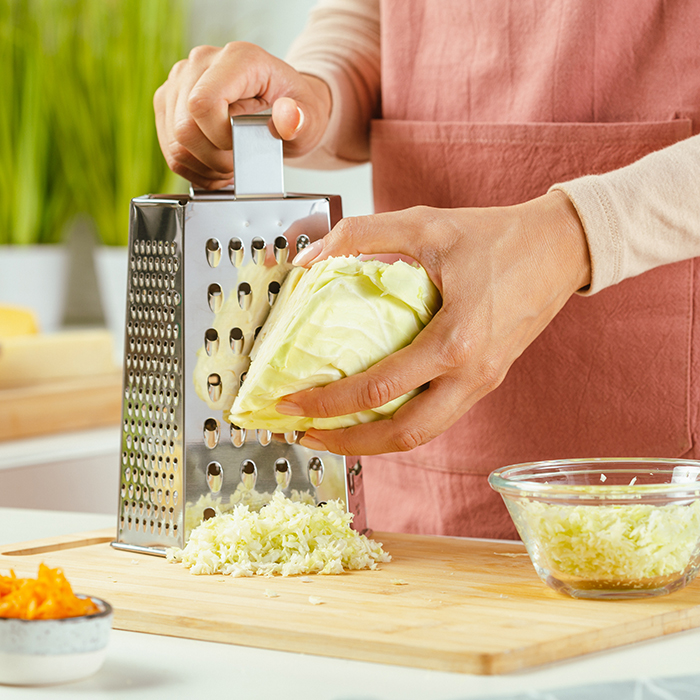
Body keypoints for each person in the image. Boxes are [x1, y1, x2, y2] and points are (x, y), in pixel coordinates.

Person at [155, 0, 700, 539]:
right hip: (414, 465)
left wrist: (577, 233)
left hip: (658, 478)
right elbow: (380, 17)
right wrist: (314, 91)